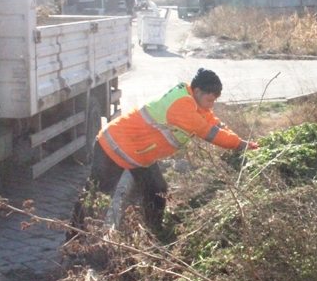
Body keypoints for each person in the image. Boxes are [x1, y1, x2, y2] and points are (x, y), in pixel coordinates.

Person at [69, 68, 258, 238]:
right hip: (114, 147)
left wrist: (240, 140)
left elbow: (214, 123)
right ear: (198, 92)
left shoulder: (194, 101)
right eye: (210, 100)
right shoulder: (181, 106)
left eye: (214, 101)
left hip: (137, 154)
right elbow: (210, 133)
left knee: (157, 190)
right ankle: (74, 237)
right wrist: (241, 145)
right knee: (95, 195)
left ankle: (154, 233)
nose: (211, 105)